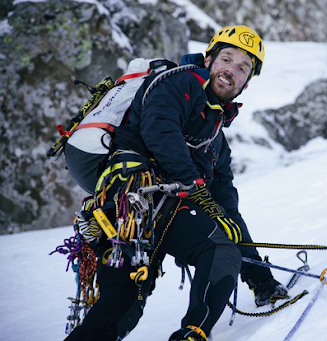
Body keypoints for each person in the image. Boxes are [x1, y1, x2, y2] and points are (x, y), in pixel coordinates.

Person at [65, 25, 288, 341]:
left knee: (124, 301)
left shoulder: (215, 140)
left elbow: (226, 209)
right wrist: (196, 186)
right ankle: (193, 333)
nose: (231, 71)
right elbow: (160, 131)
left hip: (144, 213)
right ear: (208, 59)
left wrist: (260, 278)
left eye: (242, 69)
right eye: (227, 59)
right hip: (135, 200)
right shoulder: (181, 82)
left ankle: (193, 333)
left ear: (246, 84)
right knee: (211, 256)